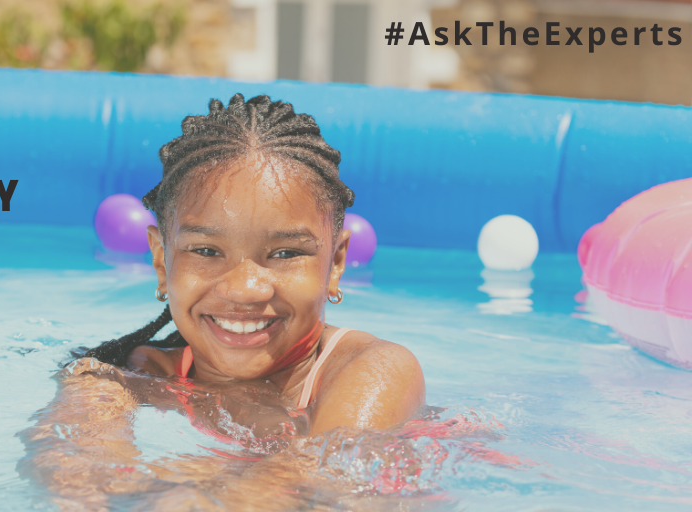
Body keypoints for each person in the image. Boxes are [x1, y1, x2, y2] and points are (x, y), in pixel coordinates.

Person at [21, 93, 427, 510]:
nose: (245, 289)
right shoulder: (117, 378)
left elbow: (311, 483)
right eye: (206, 251)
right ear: (162, 261)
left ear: (336, 263)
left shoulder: (374, 370)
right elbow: (75, 477)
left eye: (286, 253)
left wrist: (179, 491)